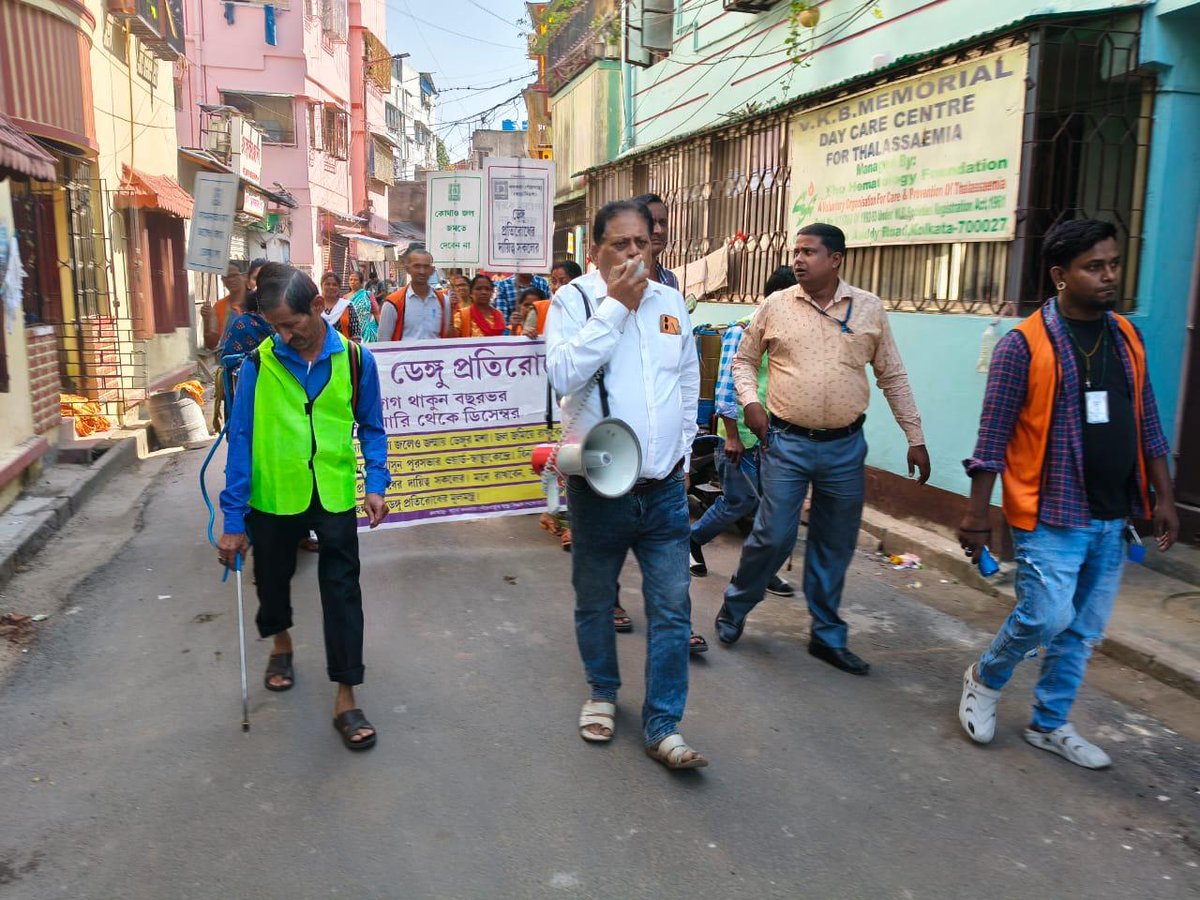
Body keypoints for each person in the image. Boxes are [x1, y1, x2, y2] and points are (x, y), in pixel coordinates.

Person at [956, 220, 1178, 769]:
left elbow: (1148, 420)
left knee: (1082, 632)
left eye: (1113, 263)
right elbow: (993, 437)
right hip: (1051, 513)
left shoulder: (1127, 336)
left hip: (1113, 512)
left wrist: (1164, 498)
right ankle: (985, 677)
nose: (1109, 276)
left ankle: (1049, 724)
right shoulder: (1022, 346)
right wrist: (977, 516)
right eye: (1094, 266)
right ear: (1060, 276)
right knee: (1045, 617)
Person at [714, 223, 931, 676]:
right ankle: (735, 608)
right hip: (786, 442)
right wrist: (750, 402)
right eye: (796, 251)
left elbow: (892, 375)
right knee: (773, 536)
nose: (798, 259)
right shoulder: (776, 305)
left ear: (835, 260)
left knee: (835, 542)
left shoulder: (868, 309)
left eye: (809, 252)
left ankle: (827, 635)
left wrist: (915, 438)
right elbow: (745, 360)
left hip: (845, 447)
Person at [545, 199, 706, 769]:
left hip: (663, 491)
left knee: (672, 608)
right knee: (594, 601)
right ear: (595, 250)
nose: (635, 253)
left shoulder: (670, 303)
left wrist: (682, 448)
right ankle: (603, 693)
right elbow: (563, 374)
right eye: (621, 243)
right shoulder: (574, 301)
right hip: (600, 490)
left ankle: (664, 723)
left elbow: (687, 380)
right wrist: (614, 306)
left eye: (643, 241)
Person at [217, 263, 390, 751]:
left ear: (317, 307)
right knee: (271, 581)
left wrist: (376, 482)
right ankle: (282, 642)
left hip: (332, 495)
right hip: (273, 497)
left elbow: (372, 427)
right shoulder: (257, 365)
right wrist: (233, 521)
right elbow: (241, 441)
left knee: (342, 592)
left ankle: (346, 695)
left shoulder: (357, 361)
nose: (284, 336)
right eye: (276, 327)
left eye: (291, 324)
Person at [689, 265, 797, 606]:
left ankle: (760, 570)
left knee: (773, 508)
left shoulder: (791, 335)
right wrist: (732, 436)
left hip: (776, 437)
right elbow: (724, 389)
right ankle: (692, 539)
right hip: (741, 438)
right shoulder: (742, 330)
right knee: (741, 501)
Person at [379, 250, 455, 341]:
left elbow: (445, 336)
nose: (422, 271)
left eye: (426, 267)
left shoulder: (444, 301)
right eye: (417, 266)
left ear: (432, 270)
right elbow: (383, 341)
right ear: (407, 269)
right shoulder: (392, 303)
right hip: (404, 355)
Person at [633, 193, 678, 290]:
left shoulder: (671, 280)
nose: (659, 230)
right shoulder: (618, 280)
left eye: (663, 222)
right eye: (651, 223)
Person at [319, 271, 362, 342]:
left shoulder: (347, 306)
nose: (331, 287)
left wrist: (352, 351)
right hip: (319, 351)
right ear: (321, 286)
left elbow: (356, 335)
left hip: (343, 350)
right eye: (327, 284)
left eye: (334, 284)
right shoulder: (314, 306)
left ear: (339, 287)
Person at [344, 270, 378, 342]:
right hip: (353, 330)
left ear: (361, 282)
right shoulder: (345, 298)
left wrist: (381, 330)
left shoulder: (367, 295)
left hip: (368, 330)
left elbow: (376, 313)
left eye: (355, 280)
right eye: (351, 280)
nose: (352, 282)